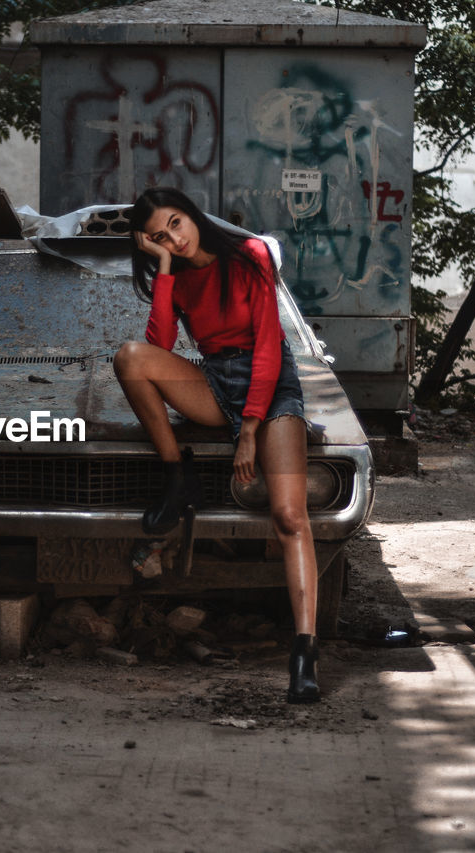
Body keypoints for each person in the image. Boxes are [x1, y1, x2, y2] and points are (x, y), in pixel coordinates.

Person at [112, 187, 321, 704]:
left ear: (193, 214)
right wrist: (162, 268)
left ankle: (304, 651)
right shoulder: (176, 275)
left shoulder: (250, 256)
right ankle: (176, 477)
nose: (175, 239)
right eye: (160, 236)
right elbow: (158, 347)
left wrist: (249, 428)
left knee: (290, 517)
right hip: (215, 383)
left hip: (271, 387)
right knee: (130, 357)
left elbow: (270, 343)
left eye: (177, 224)